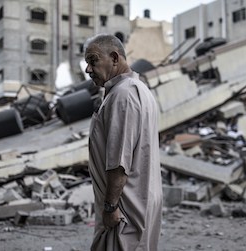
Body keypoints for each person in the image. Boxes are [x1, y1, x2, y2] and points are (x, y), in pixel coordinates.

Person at [84, 34, 162, 250]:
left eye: (93, 61)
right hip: (141, 200)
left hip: (125, 209)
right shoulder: (140, 90)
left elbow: (119, 162)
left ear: (115, 58)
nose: (88, 70)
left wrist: (110, 207)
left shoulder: (123, 95)